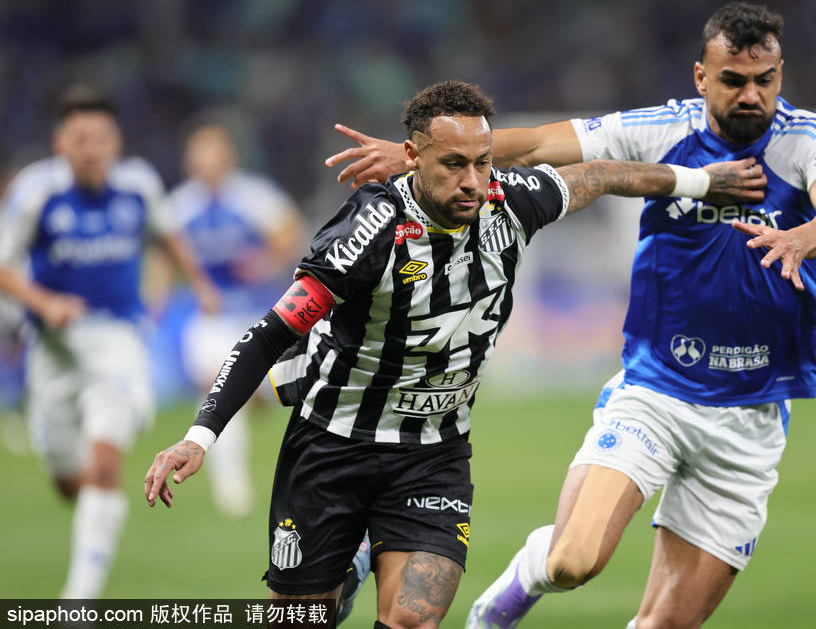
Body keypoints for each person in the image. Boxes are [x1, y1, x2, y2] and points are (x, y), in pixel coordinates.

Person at [324, 2, 816, 629]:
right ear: (701, 77)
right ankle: (512, 589)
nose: (751, 95)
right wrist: (421, 155)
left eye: (764, 80)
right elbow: (538, 144)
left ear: (780, 74)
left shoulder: (812, 139)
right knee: (572, 563)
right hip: (657, 392)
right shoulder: (663, 129)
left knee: (667, 624)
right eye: (733, 80)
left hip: (752, 416)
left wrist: (802, 238)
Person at [144, 80, 766, 629]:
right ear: (412, 157)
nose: (472, 181)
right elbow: (269, 334)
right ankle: (350, 564)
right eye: (453, 164)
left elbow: (600, 175)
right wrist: (198, 436)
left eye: (483, 162)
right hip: (332, 447)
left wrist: (703, 181)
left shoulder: (511, 202)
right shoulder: (369, 232)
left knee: (414, 617)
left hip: (432, 453)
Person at [0, 85, 220, 599]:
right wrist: (44, 303)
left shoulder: (138, 184)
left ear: (116, 141)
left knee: (104, 461)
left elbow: (168, 235)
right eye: (80, 139)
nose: (91, 149)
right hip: (53, 349)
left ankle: (79, 599)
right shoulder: (36, 191)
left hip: (119, 340)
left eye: (101, 138)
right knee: (67, 481)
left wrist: (200, 284)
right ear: (61, 143)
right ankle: (94, 512)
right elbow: (4, 266)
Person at [169, 120, 304, 516]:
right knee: (215, 385)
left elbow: (291, 236)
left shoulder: (255, 197)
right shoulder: (179, 206)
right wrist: (159, 297)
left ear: (228, 155)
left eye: (213, 150)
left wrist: (265, 262)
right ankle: (232, 490)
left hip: (258, 317)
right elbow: (163, 253)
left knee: (258, 396)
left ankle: (260, 407)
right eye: (200, 151)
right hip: (210, 317)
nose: (207, 160)